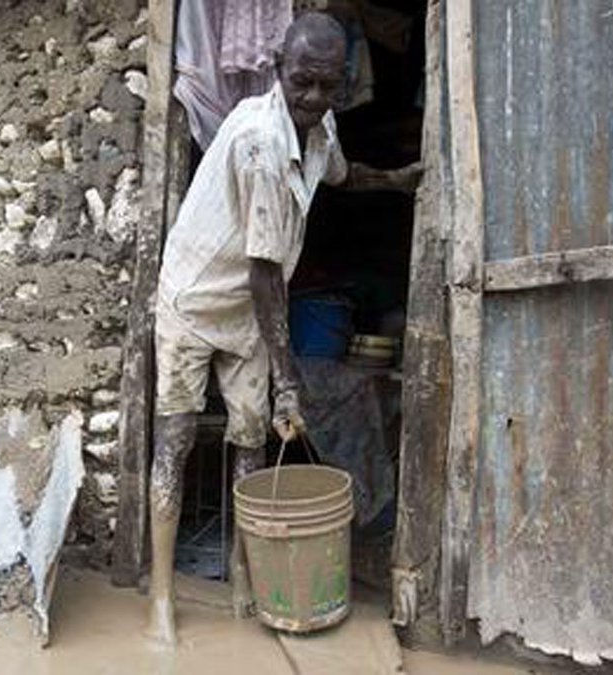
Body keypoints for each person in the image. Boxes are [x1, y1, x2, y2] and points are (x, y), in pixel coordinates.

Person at [146, 12, 421, 646]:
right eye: (303, 84)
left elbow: (340, 176)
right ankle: (161, 595)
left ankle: (246, 575)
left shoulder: (319, 124)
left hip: (247, 311)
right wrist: (289, 381)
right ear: (277, 71)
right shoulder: (259, 143)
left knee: (249, 440)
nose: (314, 99)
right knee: (178, 436)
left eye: (328, 86)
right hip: (195, 300)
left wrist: (394, 181)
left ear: (341, 82)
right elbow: (267, 274)